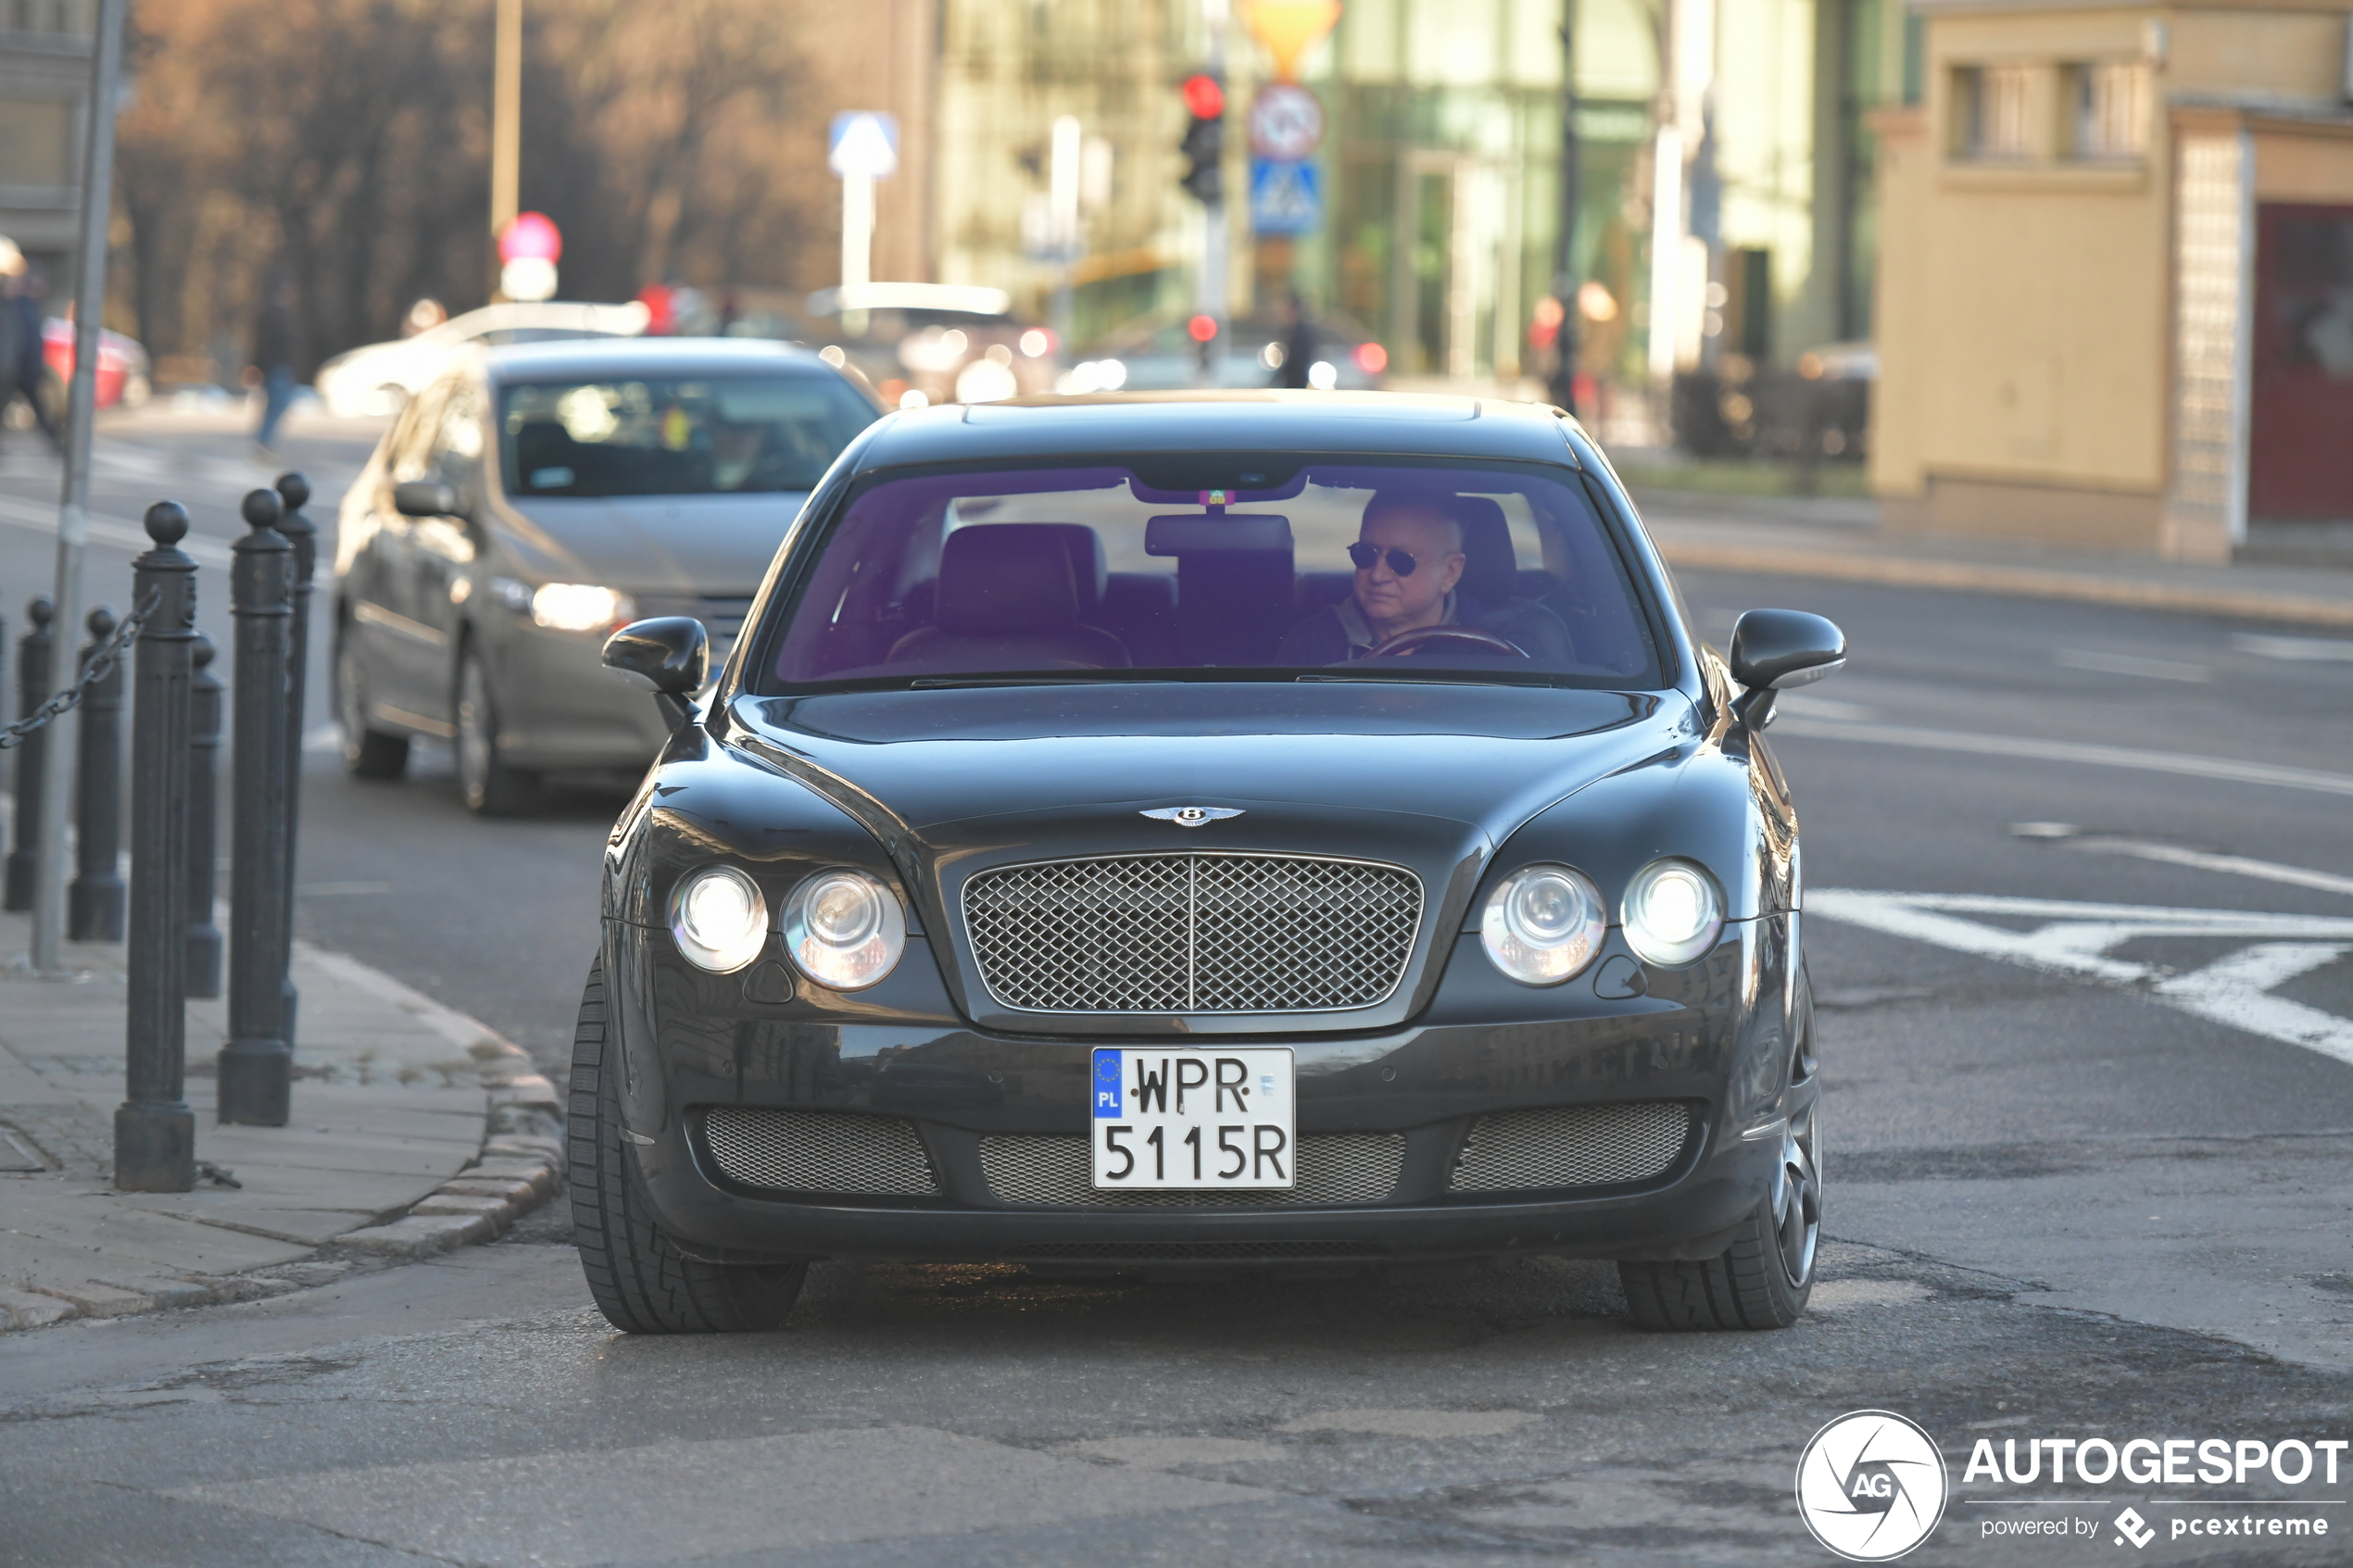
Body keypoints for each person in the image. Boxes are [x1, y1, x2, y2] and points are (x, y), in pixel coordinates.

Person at [1276, 491, 1471, 663]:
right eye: (1366, 554)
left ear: (1450, 573)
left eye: (1400, 561)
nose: (1378, 576)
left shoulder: (1490, 647)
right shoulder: (1310, 643)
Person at [4, 262, 61, 453]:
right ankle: (56, 445)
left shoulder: (26, 307)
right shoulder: (21, 307)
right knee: (40, 410)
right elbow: (22, 342)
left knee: (41, 410)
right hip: (18, 370)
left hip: (22, 370)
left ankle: (56, 445)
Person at [250, 275, 298, 454]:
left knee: (277, 405)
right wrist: (258, 368)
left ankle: (265, 442)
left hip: (280, 367)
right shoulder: (270, 315)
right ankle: (264, 443)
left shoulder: (282, 315)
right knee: (277, 405)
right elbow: (261, 345)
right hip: (273, 368)